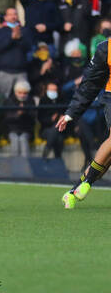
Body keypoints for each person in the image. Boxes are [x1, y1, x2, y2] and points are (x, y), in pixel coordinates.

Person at [57, 38, 111, 209]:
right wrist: (71, 113)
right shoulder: (105, 49)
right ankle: (86, 182)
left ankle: (74, 191)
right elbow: (90, 84)